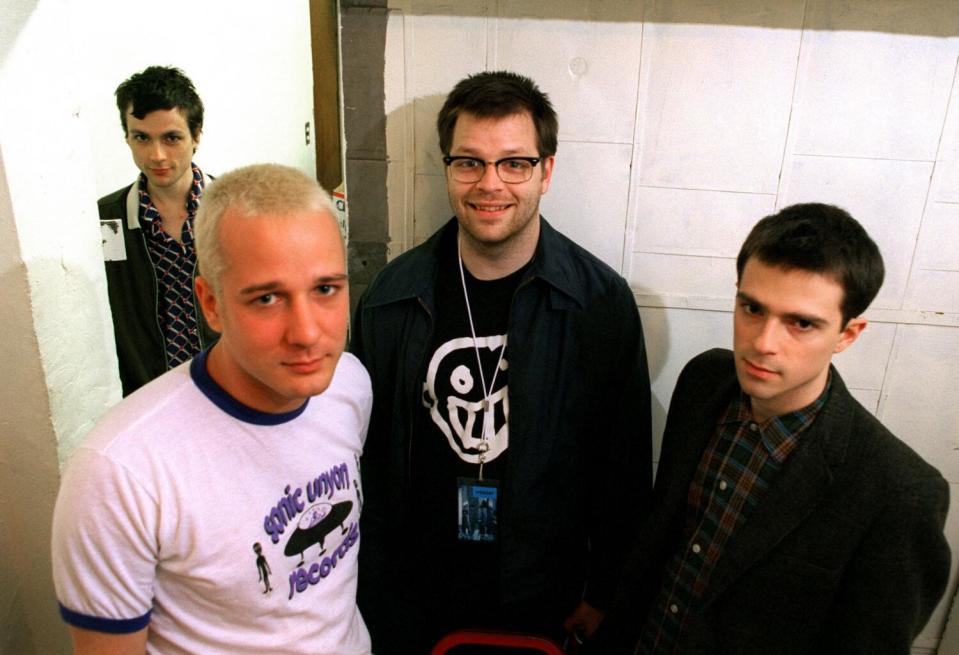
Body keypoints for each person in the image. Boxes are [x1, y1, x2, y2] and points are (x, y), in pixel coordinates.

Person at [351, 70, 653, 652]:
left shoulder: (598, 303)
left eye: (514, 163)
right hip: (416, 597)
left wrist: (605, 590)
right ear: (447, 168)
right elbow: (363, 458)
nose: (490, 183)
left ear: (547, 170)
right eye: (469, 162)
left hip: (546, 594)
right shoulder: (389, 299)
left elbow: (624, 466)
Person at [602, 203, 951, 654]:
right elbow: (662, 538)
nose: (763, 343)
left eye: (801, 323)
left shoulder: (899, 493)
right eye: (752, 308)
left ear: (848, 334)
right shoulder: (705, 381)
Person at [53, 164, 372, 654]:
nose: (308, 333)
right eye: (267, 298)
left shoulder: (348, 384)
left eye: (326, 289)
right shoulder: (118, 474)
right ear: (211, 303)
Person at [98, 65, 217, 396]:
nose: (157, 155)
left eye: (172, 138)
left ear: (196, 136)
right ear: (127, 138)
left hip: (231, 388)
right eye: (142, 138)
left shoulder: (237, 210)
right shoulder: (107, 221)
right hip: (150, 397)